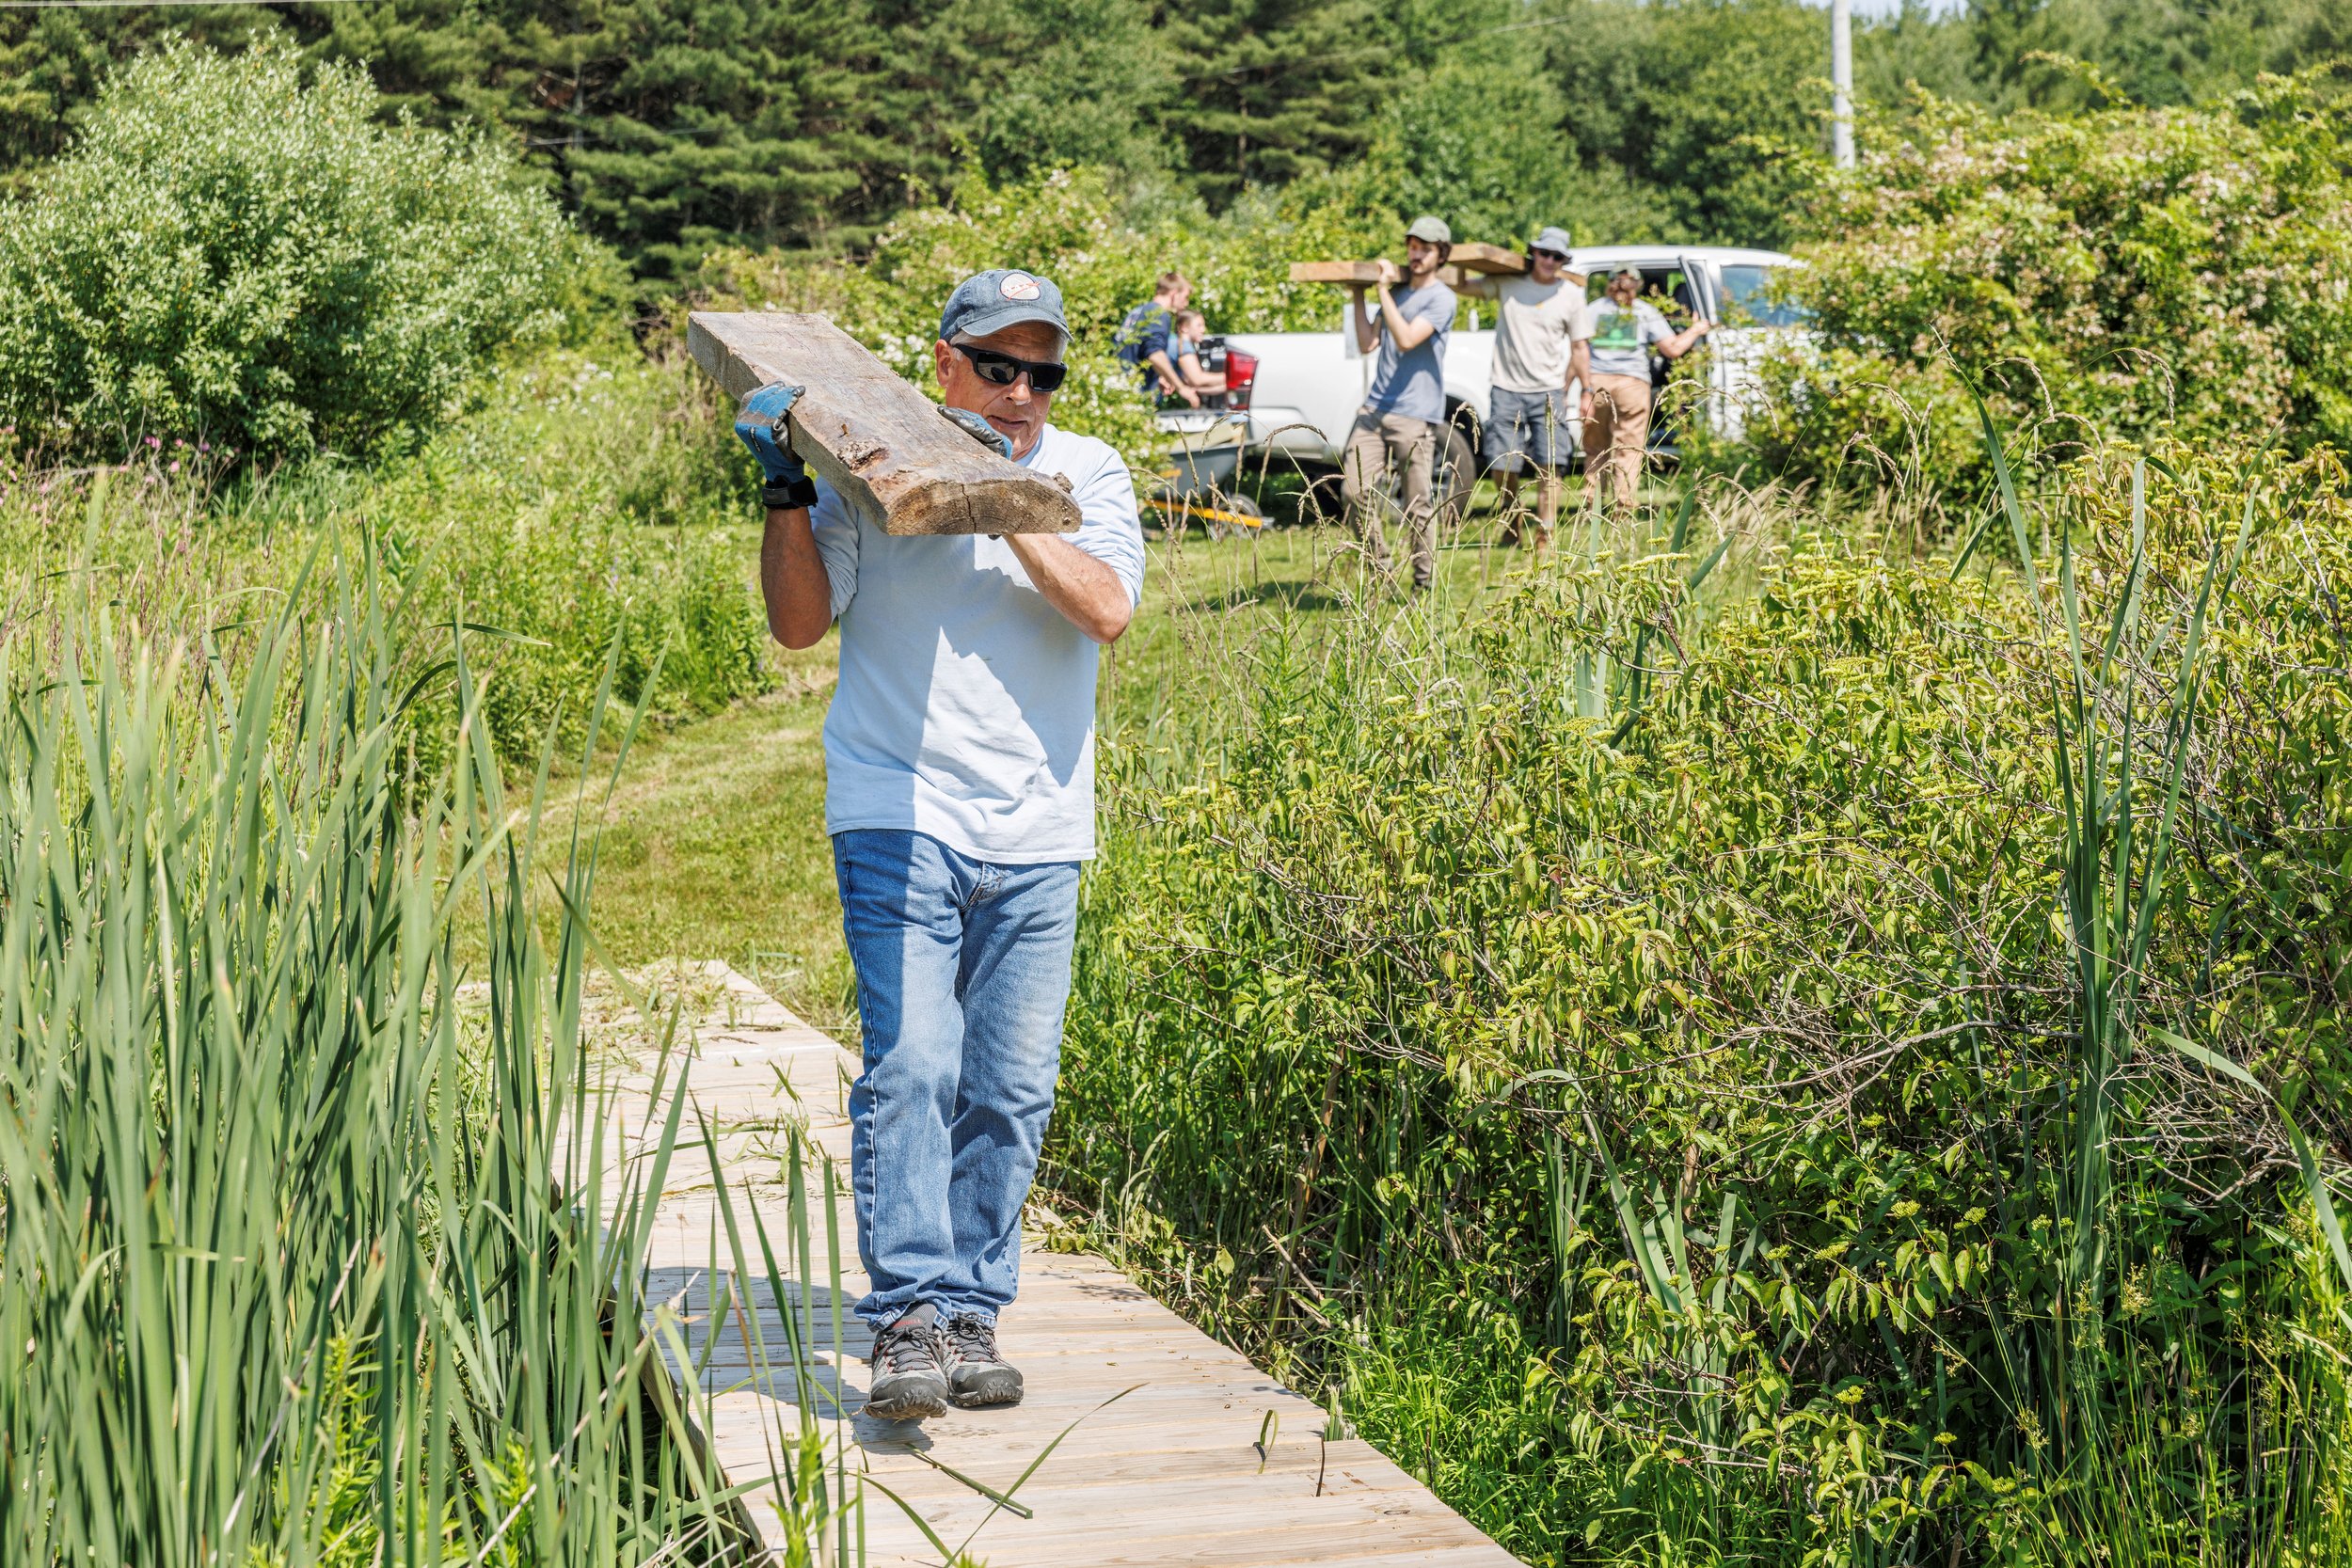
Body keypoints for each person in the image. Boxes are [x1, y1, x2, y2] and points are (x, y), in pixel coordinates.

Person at [733, 268, 1147, 1422]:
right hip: (896, 803)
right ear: (945, 361)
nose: (1022, 391)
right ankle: (910, 1312)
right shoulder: (873, 470)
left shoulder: (1089, 471)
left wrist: (1001, 497)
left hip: (1040, 822)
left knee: (1010, 1089)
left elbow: (1107, 609)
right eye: (1000, 365)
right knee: (915, 1064)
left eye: (1043, 371)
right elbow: (799, 627)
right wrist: (786, 490)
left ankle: (973, 1306)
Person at [1342, 214, 1458, 593]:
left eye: (1425, 248)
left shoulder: (1442, 298)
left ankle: (1423, 584)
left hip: (1415, 415)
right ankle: (1382, 568)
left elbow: (1408, 338)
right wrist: (1360, 293)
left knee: (1418, 504)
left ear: (1441, 254)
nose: (1416, 254)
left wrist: (1382, 292)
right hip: (1374, 410)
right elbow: (1367, 344)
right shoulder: (1398, 295)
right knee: (1353, 491)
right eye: (1412, 246)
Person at [1483, 225, 1586, 549]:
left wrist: (1587, 391)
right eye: (1544, 253)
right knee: (1502, 464)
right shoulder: (1508, 283)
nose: (1549, 260)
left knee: (1550, 466)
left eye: (1557, 256)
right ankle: (1512, 519)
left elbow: (1581, 348)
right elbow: (1464, 287)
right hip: (1506, 387)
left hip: (1549, 390)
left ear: (1562, 261)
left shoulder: (1571, 294)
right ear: (1534, 253)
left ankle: (1546, 533)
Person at [1580, 267, 1712, 513]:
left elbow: (1579, 348)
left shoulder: (1594, 309)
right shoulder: (1644, 311)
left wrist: (1584, 389)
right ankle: (1622, 509)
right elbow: (1672, 349)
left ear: (1609, 283)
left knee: (1595, 450)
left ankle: (1590, 507)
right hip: (1633, 384)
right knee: (1628, 450)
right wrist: (1696, 329)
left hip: (1598, 384)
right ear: (1637, 285)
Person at [1115, 270, 1199, 407]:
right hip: (1130, 393)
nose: (1186, 303)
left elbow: (1138, 352)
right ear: (1174, 293)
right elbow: (1155, 354)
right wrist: (1181, 387)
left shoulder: (1138, 311)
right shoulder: (1159, 314)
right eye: (1185, 297)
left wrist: (1159, 375)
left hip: (1119, 384)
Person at [1168, 308, 1224, 399]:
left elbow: (1192, 386)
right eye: (1199, 325)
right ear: (1184, 328)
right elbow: (1198, 379)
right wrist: (1230, 377)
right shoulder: (1183, 346)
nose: (1203, 330)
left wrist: (1226, 386)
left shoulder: (1177, 342)